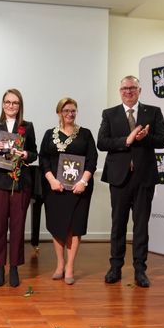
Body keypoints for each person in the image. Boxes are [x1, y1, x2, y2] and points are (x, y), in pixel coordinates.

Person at [97, 75, 164, 288]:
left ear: (139, 90)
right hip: (119, 178)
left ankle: (140, 270)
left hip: (144, 178)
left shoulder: (153, 112)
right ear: (120, 91)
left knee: (141, 226)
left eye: (132, 88)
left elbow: (163, 140)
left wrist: (146, 137)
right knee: (118, 225)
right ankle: (115, 268)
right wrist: (126, 141)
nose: (128, 91)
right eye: (124, 88)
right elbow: (102, 142)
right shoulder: (109, 114)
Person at [0, 89, 38, 287]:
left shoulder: (27, 126)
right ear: (3, 104)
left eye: (15, 102)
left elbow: (34, 154)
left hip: (20, 183)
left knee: (18, 228)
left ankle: (14, 268)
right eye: (7, 102)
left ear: (20, 106)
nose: (11, 105)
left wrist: (25, 155)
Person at [39, 97, 97, 285]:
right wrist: (52, 180)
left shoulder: (85, 134)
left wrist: (83, 182)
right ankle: (60, 264)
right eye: (66, 111)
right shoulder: (49, 134)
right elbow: (43, 159)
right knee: (57, 226)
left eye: (73, 110)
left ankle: (70, 267)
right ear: (59, 113)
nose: (70, 114)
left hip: (79, 190)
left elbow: (92, 160)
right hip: (55, 188)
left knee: (75, 227)